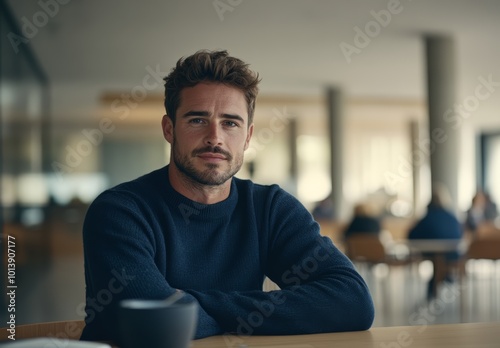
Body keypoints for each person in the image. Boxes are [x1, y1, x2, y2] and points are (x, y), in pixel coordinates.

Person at [80, 49, 374, 343]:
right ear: (169, 129)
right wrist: (255, 314)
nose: (215, 137)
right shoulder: (120, 211)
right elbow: (156, 322)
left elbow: (352, 301)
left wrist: (189, 304)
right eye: (197, 120)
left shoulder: (270, 208)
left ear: (247, 137)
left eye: (230, 123)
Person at [408, 185, 463, 299]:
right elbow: (459, 234)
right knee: (441, 262)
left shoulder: (427, 217)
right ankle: (445, 276)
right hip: (452, 253)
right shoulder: (452, 217)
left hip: (431, 253)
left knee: (437, 261)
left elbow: (411, 235)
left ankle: (436, 285)